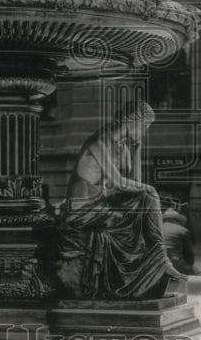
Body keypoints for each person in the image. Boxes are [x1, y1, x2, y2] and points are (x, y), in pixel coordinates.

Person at [56, 100, 185, 300]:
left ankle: (158, 264)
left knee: (145, 197)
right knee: (147, 195)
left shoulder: (123, 147)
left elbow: (135, 183)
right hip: (82, 209)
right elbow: (119, 182)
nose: (144, 133)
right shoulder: (100, 141)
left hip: (100, 204)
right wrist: (148, 190)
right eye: (144, 127)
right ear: (131, 121)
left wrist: (137, 151)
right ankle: (159, 264)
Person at [162, 207, 195, 275]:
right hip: (175, 264)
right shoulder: (182, 230)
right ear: (177, 220)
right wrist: (190, 266)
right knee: (195, 272)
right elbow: (189, 254)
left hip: (156, 264)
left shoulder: (155, 229)